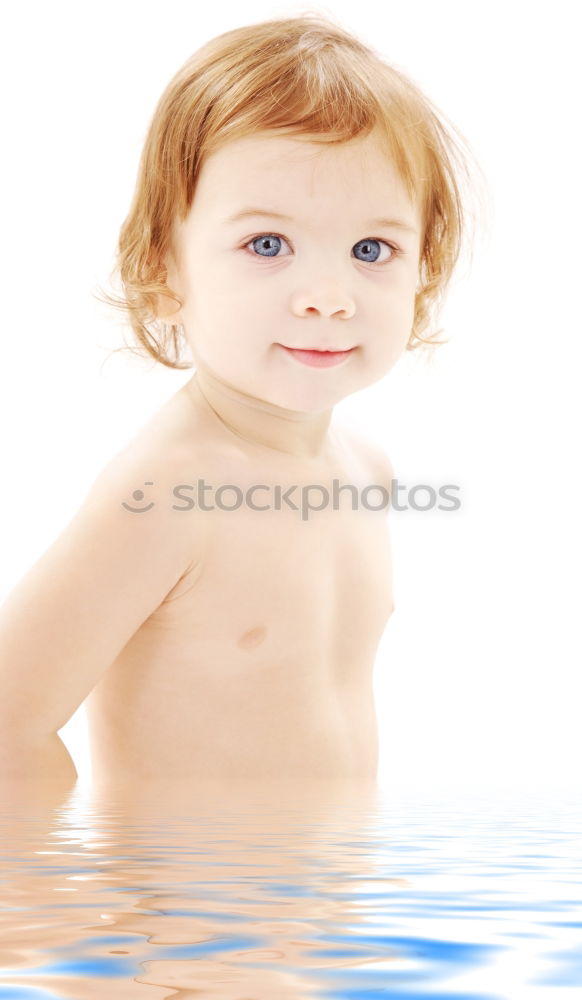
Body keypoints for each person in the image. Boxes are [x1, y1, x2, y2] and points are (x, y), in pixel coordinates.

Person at [0, 12, 480, 802]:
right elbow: (13, 723)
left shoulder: (367, 468)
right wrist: (62, 919)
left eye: (372, 251)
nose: (328, 297)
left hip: (323, 918)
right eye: (267, 244)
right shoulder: (167, 490)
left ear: (421, 274)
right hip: (189, 926)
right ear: (164, 265)